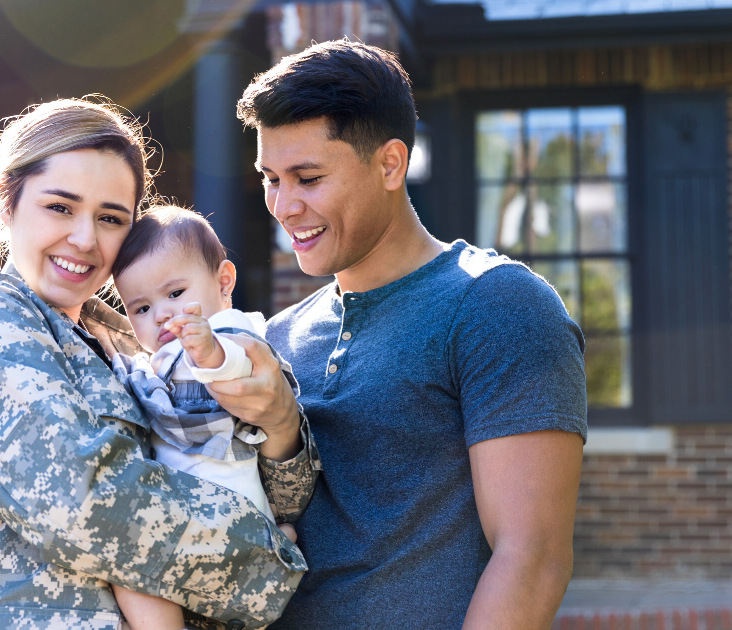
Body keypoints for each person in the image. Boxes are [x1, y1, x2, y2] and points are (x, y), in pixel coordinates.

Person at [0, 98, 319, 630]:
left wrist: (282, 423)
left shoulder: (136, 341)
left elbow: (284, 498)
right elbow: (83, 506)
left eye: (110, 218)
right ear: (8, 202)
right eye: (59, 207)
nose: (84, 238)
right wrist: (265, 559)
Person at [236, 40, 588, 629]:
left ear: (390, 164)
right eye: (271, 178)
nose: (284, 205)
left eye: (308, 177)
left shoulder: (496, 304)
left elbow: (533, 558)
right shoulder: (281, 336)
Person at [106, 206, 302, 630]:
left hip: (226, 508)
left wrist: (208, 351)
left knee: (131, 566)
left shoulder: (226, 328)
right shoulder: (153, 363)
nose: (161, 314)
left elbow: (239, 365)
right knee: (133, 576)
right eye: (140, 308)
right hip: (188, 519)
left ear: (223, 281)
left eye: (174, 294)